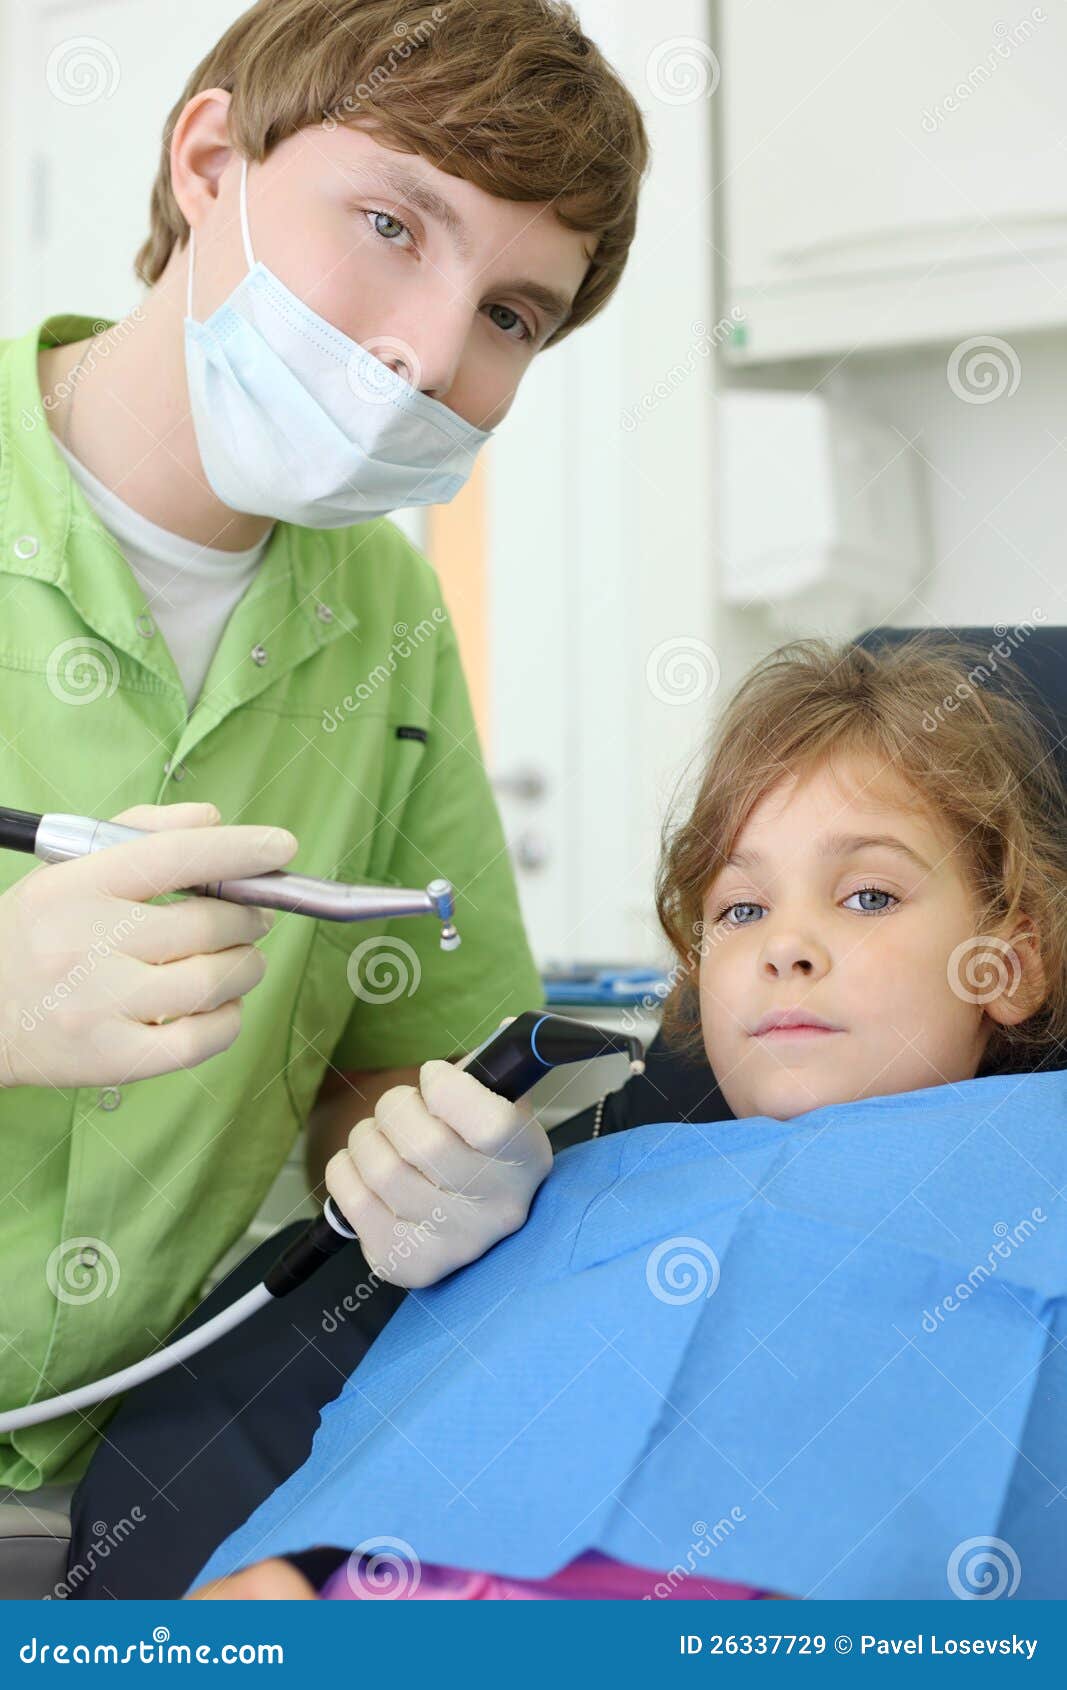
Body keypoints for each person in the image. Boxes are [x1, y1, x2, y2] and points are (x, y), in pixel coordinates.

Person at [0, 0, 650, 1511]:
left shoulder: (386, 616)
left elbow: (398, 1055)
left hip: (106, 1488)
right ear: (208, 161)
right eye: (390, 224)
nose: (424, 351)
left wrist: (435, 1162)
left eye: (511, 315)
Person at [183, 633, 1067, 1599]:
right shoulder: (576, 1188)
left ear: (1008, 962)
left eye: (867, 894)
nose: (786, 946)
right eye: (740, 910)